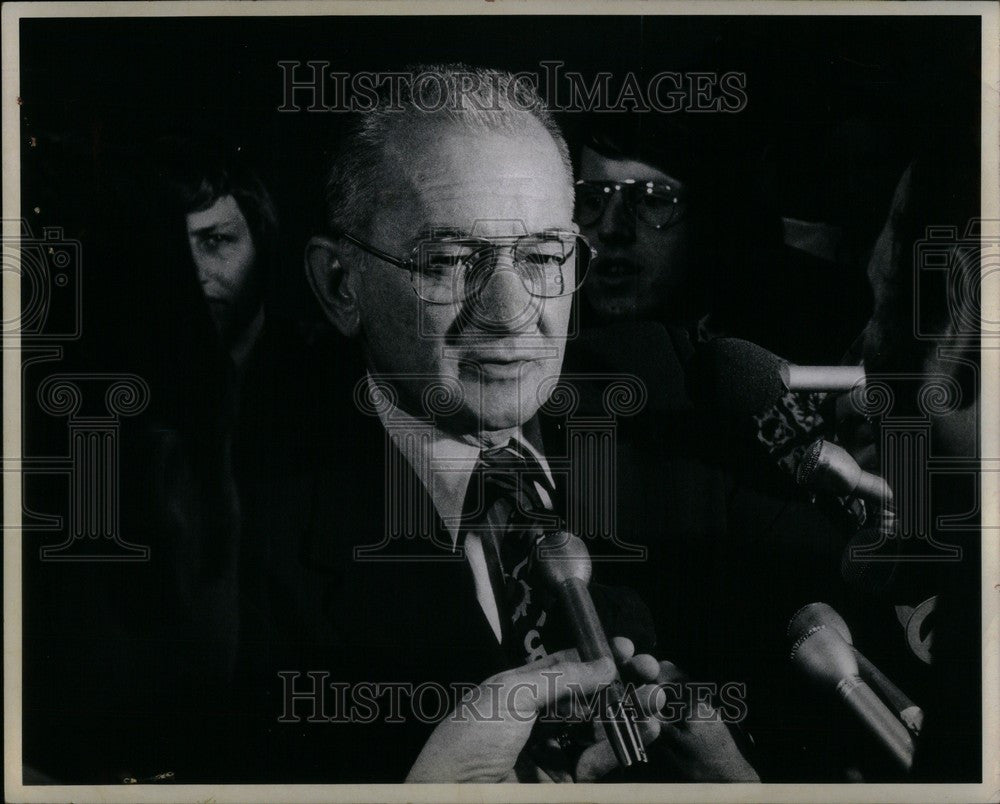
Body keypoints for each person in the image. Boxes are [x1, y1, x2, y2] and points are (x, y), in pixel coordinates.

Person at [232, 65, 852, 784]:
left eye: (542, 257)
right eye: (452, 260)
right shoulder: (244, 534)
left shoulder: (665, 393)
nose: (511, 310)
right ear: (342, 285)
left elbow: (836, 598)